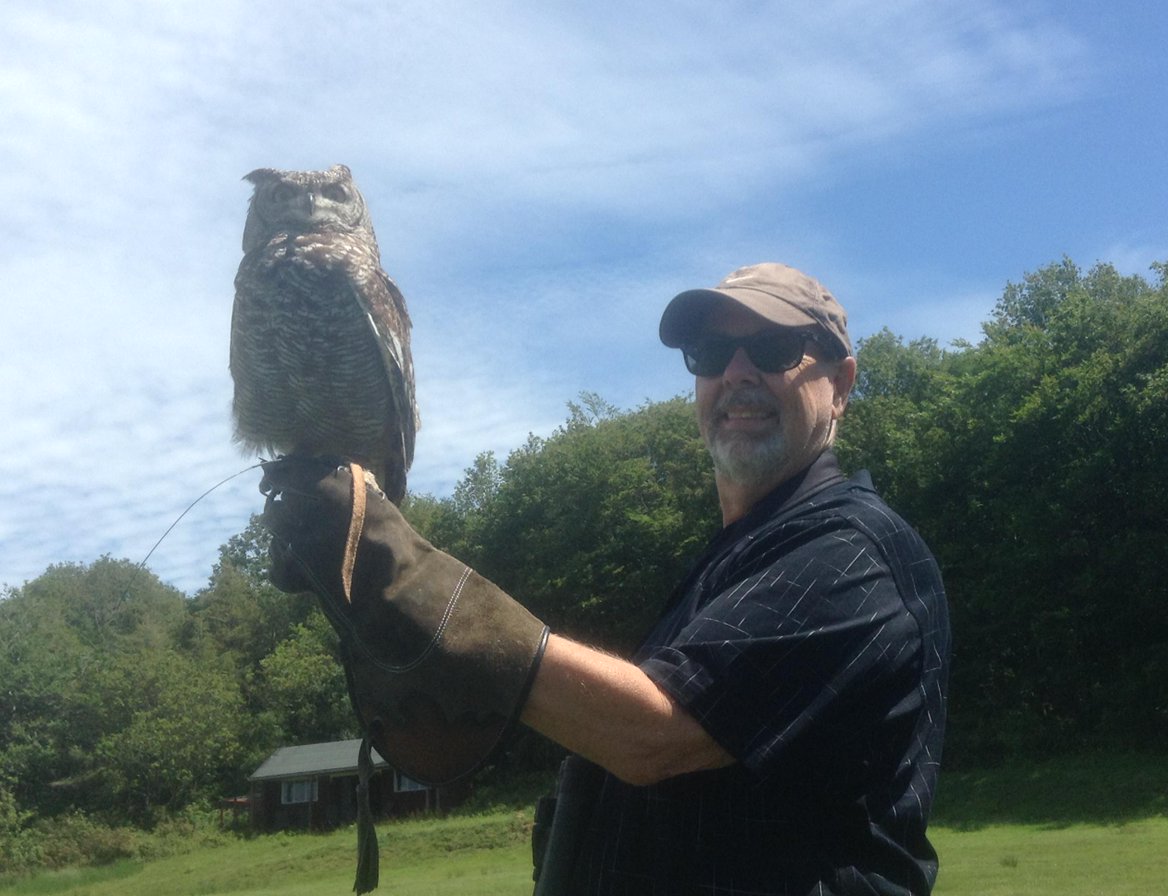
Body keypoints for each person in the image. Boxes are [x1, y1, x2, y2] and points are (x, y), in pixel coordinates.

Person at [261, 262, 950, 896]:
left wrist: (401, 576)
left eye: (773, 349)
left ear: (843, 385)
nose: (737, 371)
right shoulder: (737, 562)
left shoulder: (854, 554)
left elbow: (653, 734)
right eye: (709, 354)